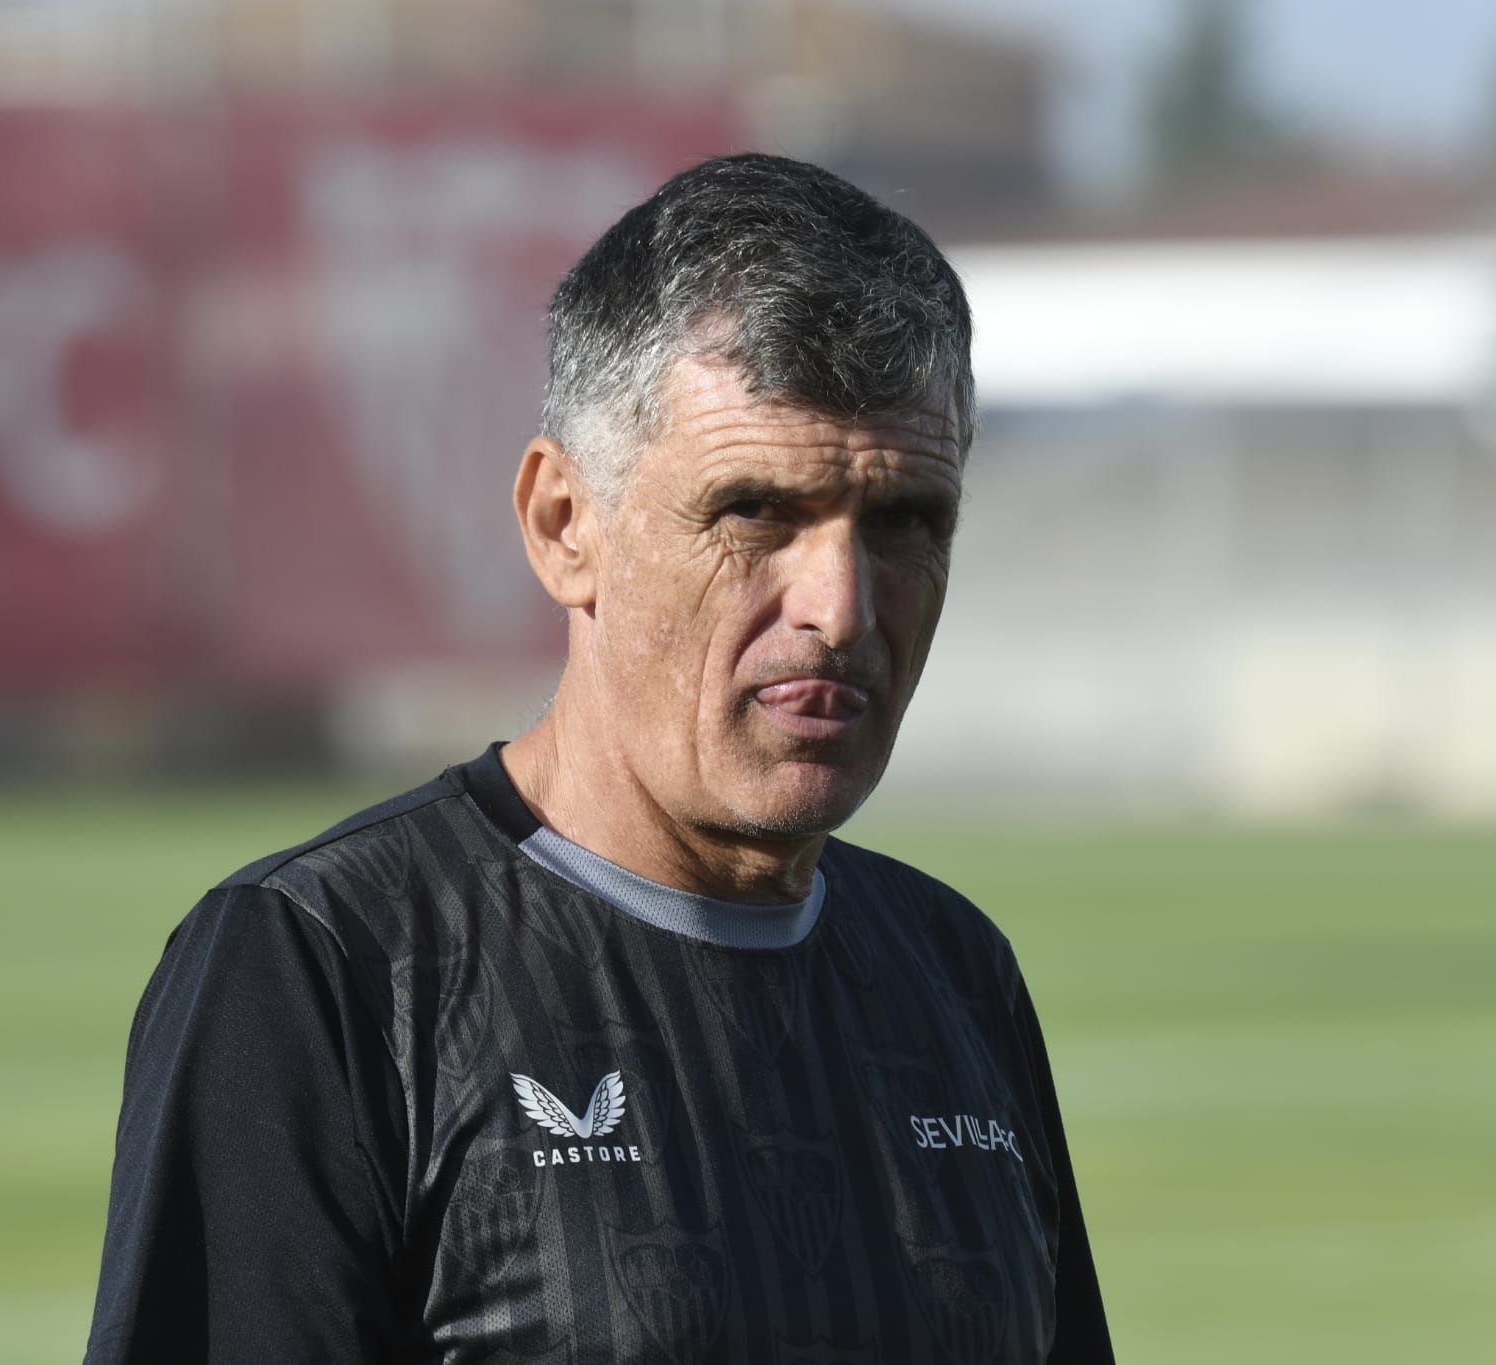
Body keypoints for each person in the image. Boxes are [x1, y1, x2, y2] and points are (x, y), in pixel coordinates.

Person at [84, 152, 1114, 1364]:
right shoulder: (326, 970)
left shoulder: (955, 976)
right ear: (564, 527)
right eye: (753, 514)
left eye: (902, 524)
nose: (838, 605)